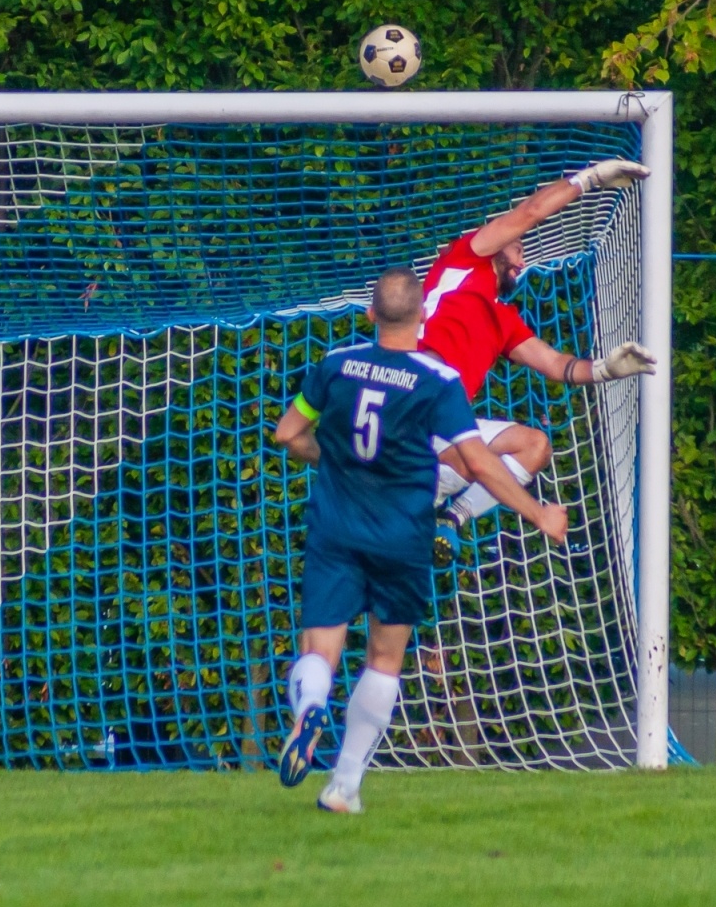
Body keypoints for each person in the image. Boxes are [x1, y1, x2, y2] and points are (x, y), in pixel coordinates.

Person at [273, 267, 568, 814]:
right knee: (385, 659)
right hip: (402, 534)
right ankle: (344, 786)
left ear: (370, 314)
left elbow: (288, 433)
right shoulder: (437, 380)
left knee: (319, 648)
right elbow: (477, 463)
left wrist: (333, 455)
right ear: (424, 314)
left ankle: (310, 705)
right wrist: (537, 513)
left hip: (336, 527)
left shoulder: (335, 365)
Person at [423, 159, 657, 535]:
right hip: (414, 403)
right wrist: (589, 179)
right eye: (518, 248)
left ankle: (450, 521)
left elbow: (554, 364)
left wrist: (606, 369)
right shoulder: (465, 259)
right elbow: (531, 212)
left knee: (535, 447)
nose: (523, 260)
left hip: (445, 428)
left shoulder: (504, 320)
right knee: (472, 455)